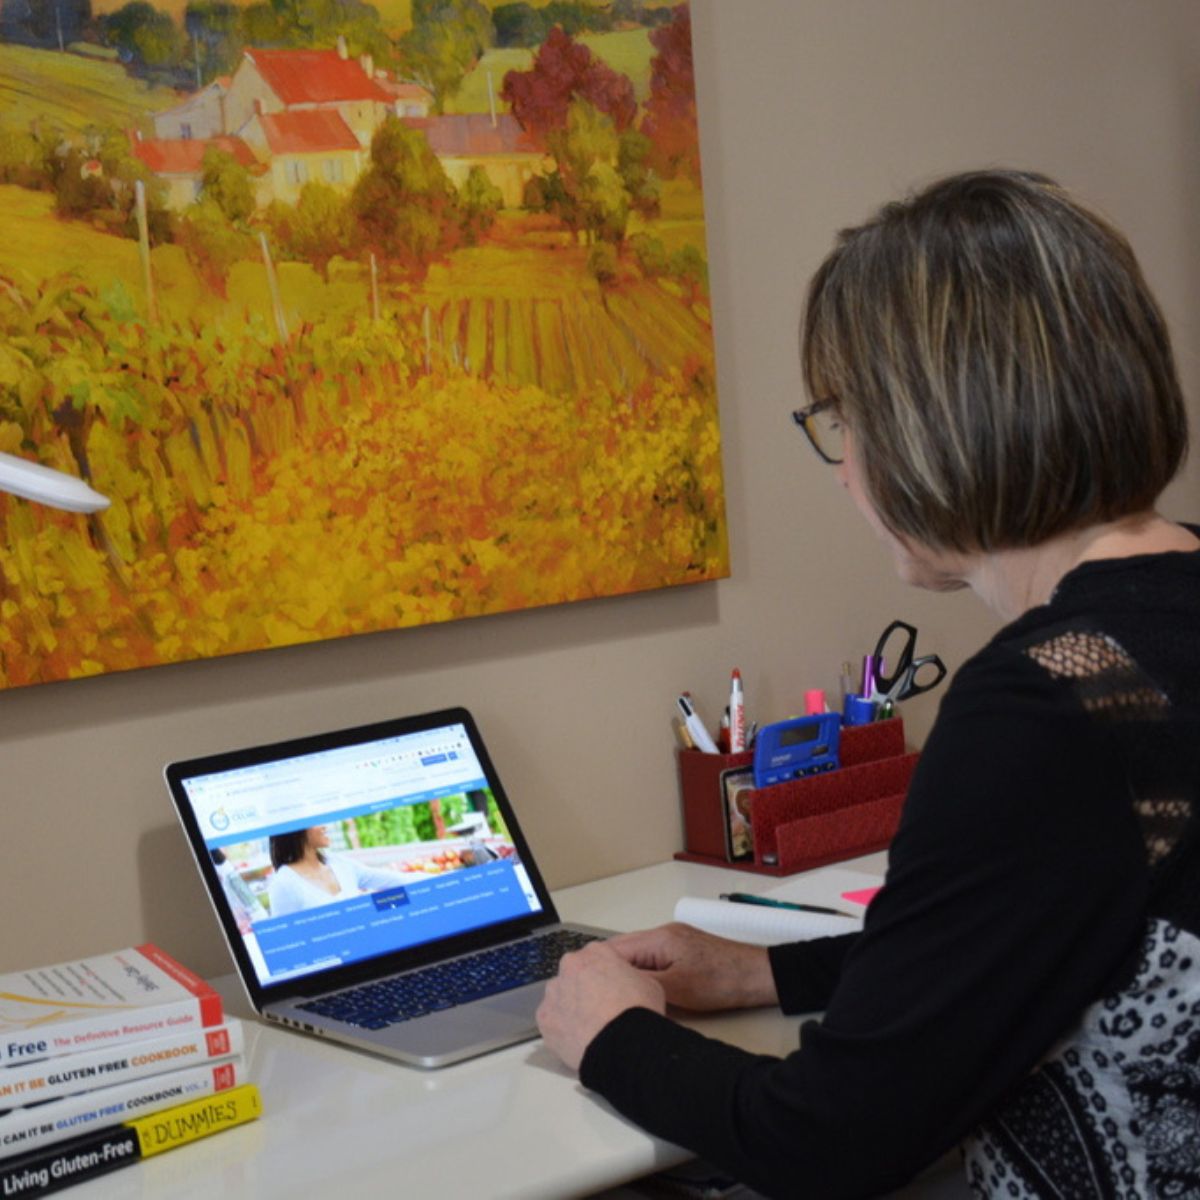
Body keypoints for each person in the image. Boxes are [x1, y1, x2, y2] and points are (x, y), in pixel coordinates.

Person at [536, 170, 1200, 1198]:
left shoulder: (1040, 705)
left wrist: (612, 1035)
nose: (844, 470)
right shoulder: (1158, 631)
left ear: (936, 425)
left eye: (846, 423)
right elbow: (1034, 938)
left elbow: (832, 1141)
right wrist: (768, 972)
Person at [266, 825, 409, 917]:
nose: (325, 826)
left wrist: (431, 881)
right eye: (316, 821)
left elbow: (394, 880)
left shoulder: (339, 863)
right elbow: (288, 942)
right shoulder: (283, 884)